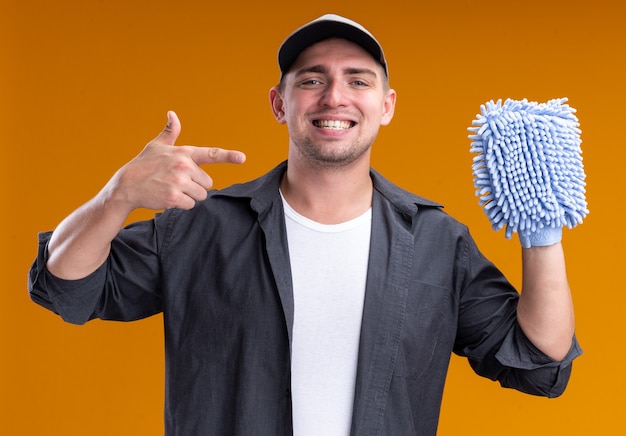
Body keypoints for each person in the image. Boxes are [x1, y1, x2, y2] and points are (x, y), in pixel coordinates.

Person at [28, 14, 581, 436]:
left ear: (386, 106)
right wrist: (116, 195)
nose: (335, 97)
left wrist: (542, 234)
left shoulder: (439, 242)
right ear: (279, 102)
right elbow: (67, 287)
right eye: (312, 80)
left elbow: (538, 362)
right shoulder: (200, 225)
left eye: (357, 82)